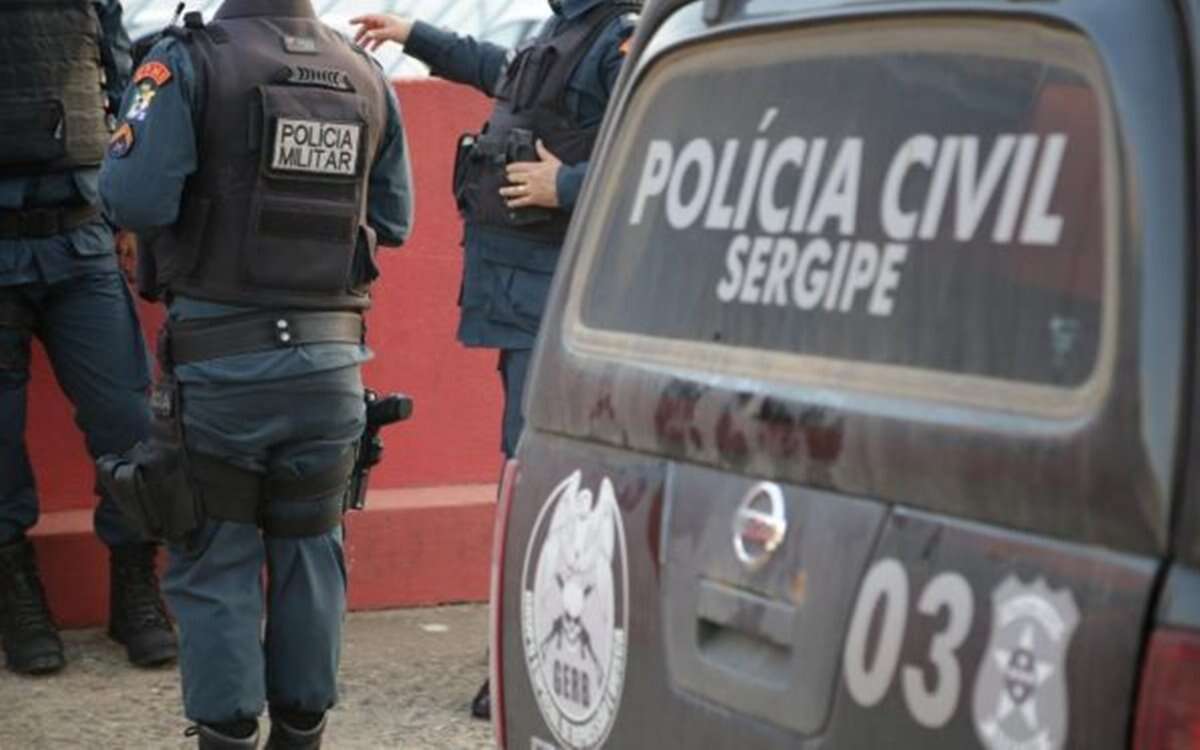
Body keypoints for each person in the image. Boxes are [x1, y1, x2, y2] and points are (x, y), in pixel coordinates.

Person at [98, 0, 413, 747]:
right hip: (333, 367)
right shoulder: (364, 71)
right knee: (310, 551)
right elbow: (394, 219)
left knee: (215, 556)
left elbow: (132, 196)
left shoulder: (184, 59)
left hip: (222, 368)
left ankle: (228, 734)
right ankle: (302, 731)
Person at [351, 0, 639, 721]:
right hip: (523, 299)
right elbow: (504, 74)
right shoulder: (567, 29)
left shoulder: (621, 33)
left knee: (543, 485)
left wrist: (563, 187)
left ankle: (532, 663)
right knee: (529, 480)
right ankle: (531, 654)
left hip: (562, 304)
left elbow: (660, 152)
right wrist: (414, 35)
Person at [0, 0, 177, 675]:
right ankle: (19, 598)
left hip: (79, 237)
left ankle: (134, 589)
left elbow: (127, 92)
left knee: (129, 423)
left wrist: (126, 212)